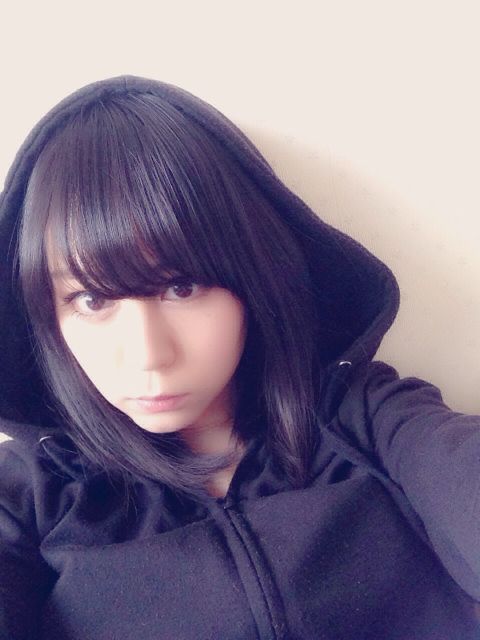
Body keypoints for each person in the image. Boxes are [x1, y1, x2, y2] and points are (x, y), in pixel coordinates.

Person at [0, 75, 478, 640]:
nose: (149, 355)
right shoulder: (32, 496)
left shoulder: (369, 420)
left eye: (182, 288)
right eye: (92, 299)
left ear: (252, 280)